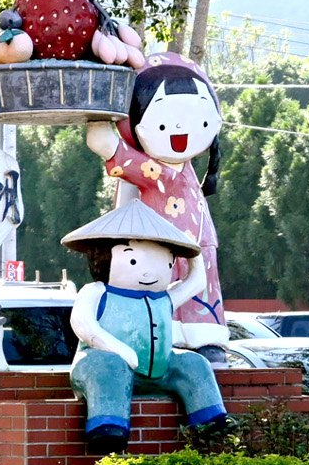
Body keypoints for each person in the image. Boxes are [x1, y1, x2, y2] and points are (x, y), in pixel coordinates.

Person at [85, 52, 228, 349]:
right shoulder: (157, 173)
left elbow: (106, 145)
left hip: (200, 239)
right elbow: (105, 144)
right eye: (165, 124)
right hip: (162, 241)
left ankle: (207, 334)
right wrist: (100, 115)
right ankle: (169, 336)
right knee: (164, 287)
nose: (180, 131)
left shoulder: (183, 168)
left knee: (204, 287)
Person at [62, 199, 227, 455]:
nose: (150, 272)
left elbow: (196, 282)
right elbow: (83, 325)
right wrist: (117, 348)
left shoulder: (164, 298)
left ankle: (210, 422)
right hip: (104, 365)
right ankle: (107, 426)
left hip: (158, 370)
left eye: (165, 263)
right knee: (109, 366)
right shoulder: (97, 291)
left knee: (193, 364)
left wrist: (194, 249)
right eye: (134, 262)